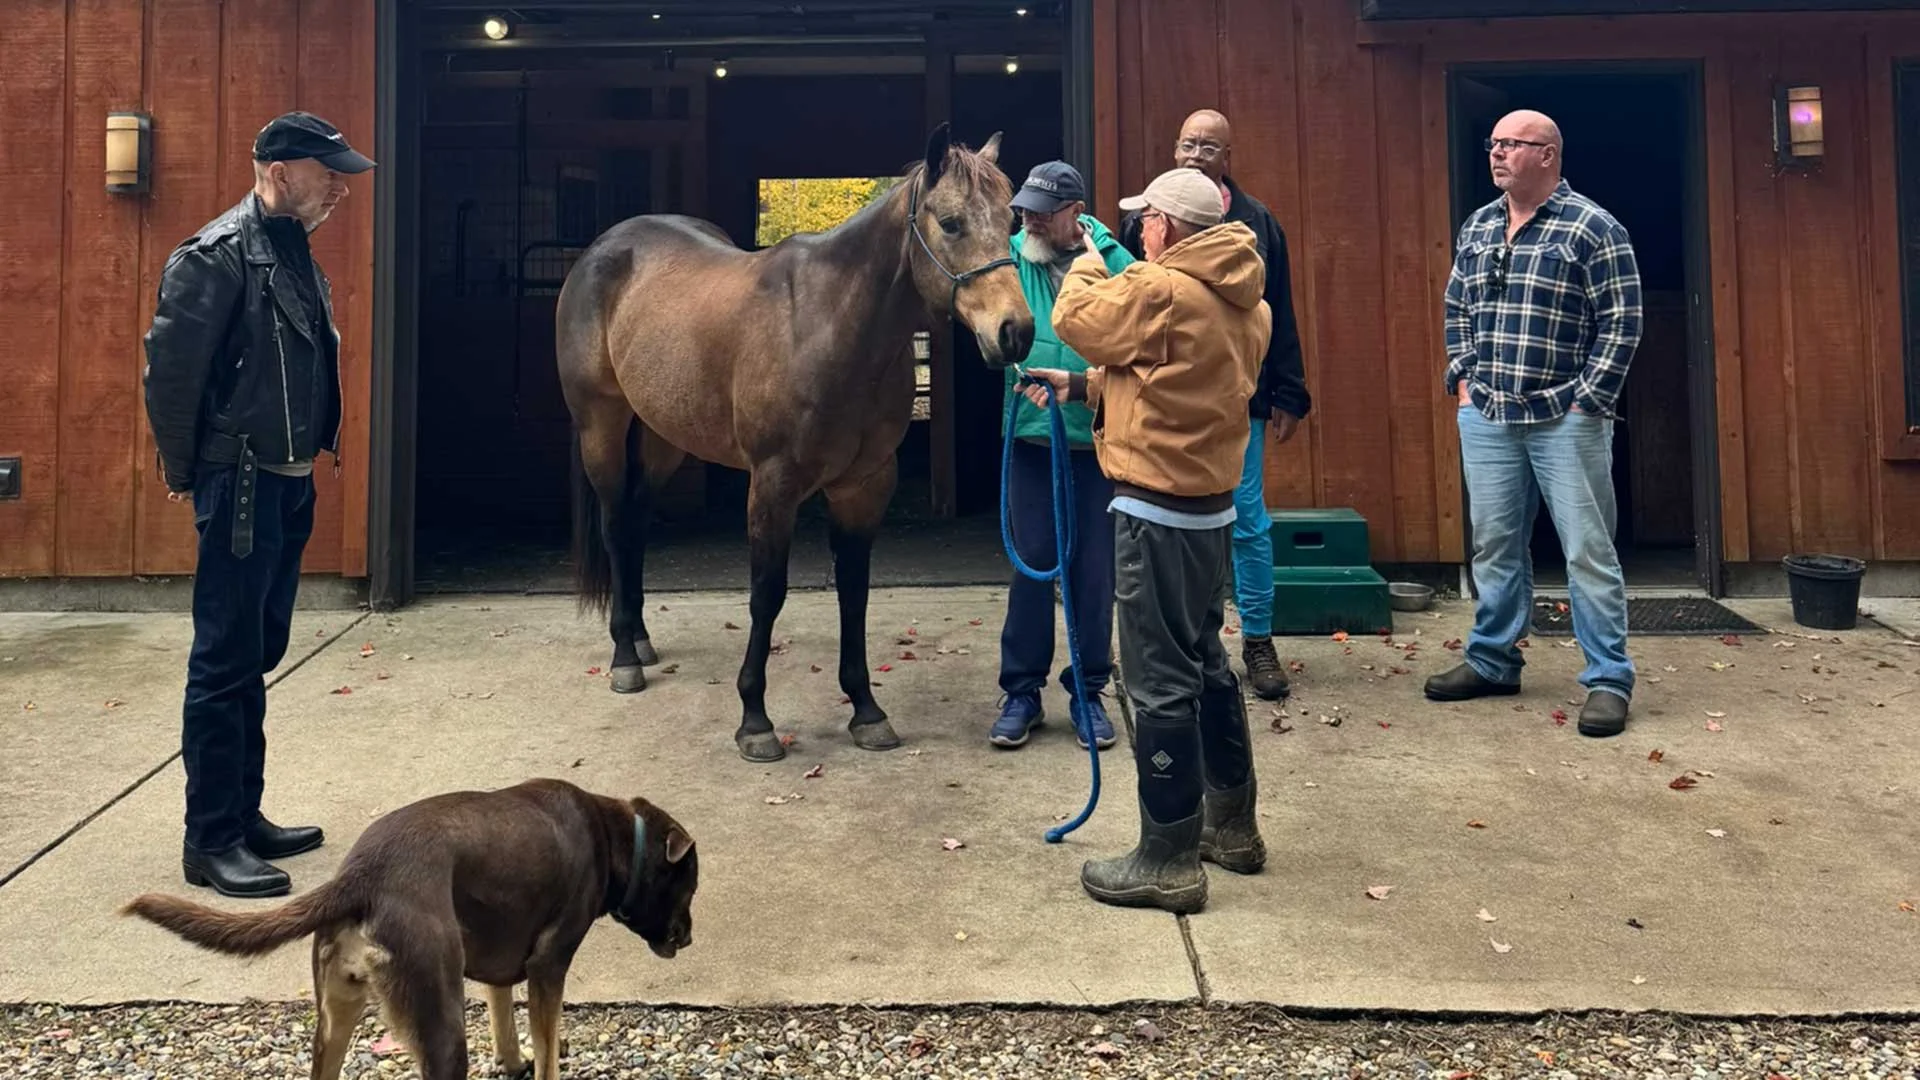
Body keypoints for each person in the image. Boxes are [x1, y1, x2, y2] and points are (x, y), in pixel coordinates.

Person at [1022, 167, 1272, 914]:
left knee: (1158, 678)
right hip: (1209, 509)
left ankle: (1166, 857)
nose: (1137, 229)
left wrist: (1089, 255)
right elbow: (1178, 378)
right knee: (1206, 661)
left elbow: (1076, 319)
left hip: (1155, 509)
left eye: (1145, 220)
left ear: (1167, 226)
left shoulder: (1159, 290)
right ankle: (1231, 828)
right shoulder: (1240, 299)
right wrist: (1080, 388)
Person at [142, 111, 375, 897]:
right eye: (327, 172)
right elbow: (171, 379)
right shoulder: (214, 257)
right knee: (223, 660)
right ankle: (209, 840)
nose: (340, 186)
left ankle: (244, 815)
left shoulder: (292, 250)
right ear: (279, 172)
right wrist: (185, 471)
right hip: (238, 484)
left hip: (284, 480)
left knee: (256, 651)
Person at [1426, 109, 1641, 738]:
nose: (1496, 155)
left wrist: (1589, 399)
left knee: (1588, 551)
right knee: (1494, 544)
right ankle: (1493, 661)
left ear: (1547, 155)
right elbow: (1457, 305)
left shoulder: (1594, 227)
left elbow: (1622, 321)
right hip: (1489, 412)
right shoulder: (1481, 224)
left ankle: (1607, 679)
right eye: (1493, 144)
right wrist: (1464, 381)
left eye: (1511, 145)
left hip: (1564, 417)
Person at [1120, 109, 1310, 703]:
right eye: (1186, 143)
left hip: (1237, 396)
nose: (1195, 153)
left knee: (1247, 521)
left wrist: (1289, 389)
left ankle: (1257, 639)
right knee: (1159, 518)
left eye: (1208, 145)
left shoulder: (1257, 223)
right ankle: (1183, 642)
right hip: (1161, 394)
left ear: (1228, 155)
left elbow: (1277, 308)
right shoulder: (1145, 219)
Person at [992, 161, 1137, 752]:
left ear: (1074, 213)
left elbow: (1145, 316)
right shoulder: (1008, 257)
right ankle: (1020, 692)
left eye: (1042, 209)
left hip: (1097, 440)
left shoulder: (1113, 263)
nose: (1027, 216)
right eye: (1025, 205)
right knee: (1032, 566)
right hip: (1029, 436)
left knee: (1093, 572)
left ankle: (1088, 690)